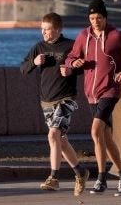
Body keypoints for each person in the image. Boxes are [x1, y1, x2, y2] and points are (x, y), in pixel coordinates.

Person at [64, 0, 121, 196]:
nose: (95, 21)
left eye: (99, 17)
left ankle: (101, 178)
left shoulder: (117, 36)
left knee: (95, 131)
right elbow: (70, 57)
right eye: (92, 18)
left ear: (105, 17)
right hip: (91, 93)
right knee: (105, 137)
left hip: (110, 90)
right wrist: (75, 63)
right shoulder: (83, 36)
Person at [20, 12, 90, 196]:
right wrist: (34, 62)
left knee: (53, 136)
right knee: (61, 140)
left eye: (47, 30)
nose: (43, 33)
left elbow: (83, 66)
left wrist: (72, 70)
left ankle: (54, 178)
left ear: (58, 29)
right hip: (46, 101)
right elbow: (23, 68)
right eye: (42, 29)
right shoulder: (39, 47)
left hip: (66, 99)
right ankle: (80, 172)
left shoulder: (71, 45)